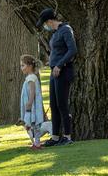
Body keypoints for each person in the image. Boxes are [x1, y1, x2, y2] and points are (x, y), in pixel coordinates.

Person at [36, 8, 77, 146]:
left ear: (49, 21)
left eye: (45, 23)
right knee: (53, 104)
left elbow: (72, 50)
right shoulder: (55, 33)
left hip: (63, 71)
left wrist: (59, 64)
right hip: (54, 72)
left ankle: (67, 136)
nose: (44, 26)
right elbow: (58, 51)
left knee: (62, 104)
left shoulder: (66, 29)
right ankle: (54, 137)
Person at [19, 54, 45, 150]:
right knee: (32, 124)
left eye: (23, 65)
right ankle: (36, 143)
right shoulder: (31, 77)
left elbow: (32, 92)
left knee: (31, 123)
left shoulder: (31, 78)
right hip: (31, 104)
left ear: (29, 66)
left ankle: (36, 143)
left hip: (31, 105)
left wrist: (29, 103)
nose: (21, 68)